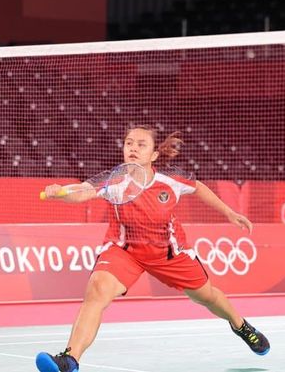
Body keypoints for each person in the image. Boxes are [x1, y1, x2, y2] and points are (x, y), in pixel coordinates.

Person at [35, 126, 270, 372]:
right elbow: (82, 191)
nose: (133, 148)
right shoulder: (114, 180)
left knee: (206, 295)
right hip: (125, 251)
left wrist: (229, 213)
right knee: (97, 290)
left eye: (141, 144)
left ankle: (240, 325)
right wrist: (59, 192)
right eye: (128, 143)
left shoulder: (170, 179)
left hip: (168, 253)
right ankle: (70, 360)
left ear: (154, 155)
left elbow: (198, 187)